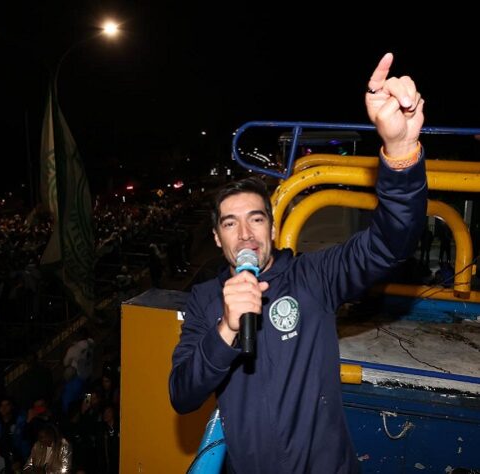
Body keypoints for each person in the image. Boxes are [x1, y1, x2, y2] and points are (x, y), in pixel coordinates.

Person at [169, 52, 426, 473]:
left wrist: (400, 152)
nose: (246, 234)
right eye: (230, 224)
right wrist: (227, 328)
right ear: (217, 238)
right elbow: (182, 394)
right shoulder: (202, 301)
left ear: (271, 228)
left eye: (256, 219)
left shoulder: (315, 277)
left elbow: (389, 243)